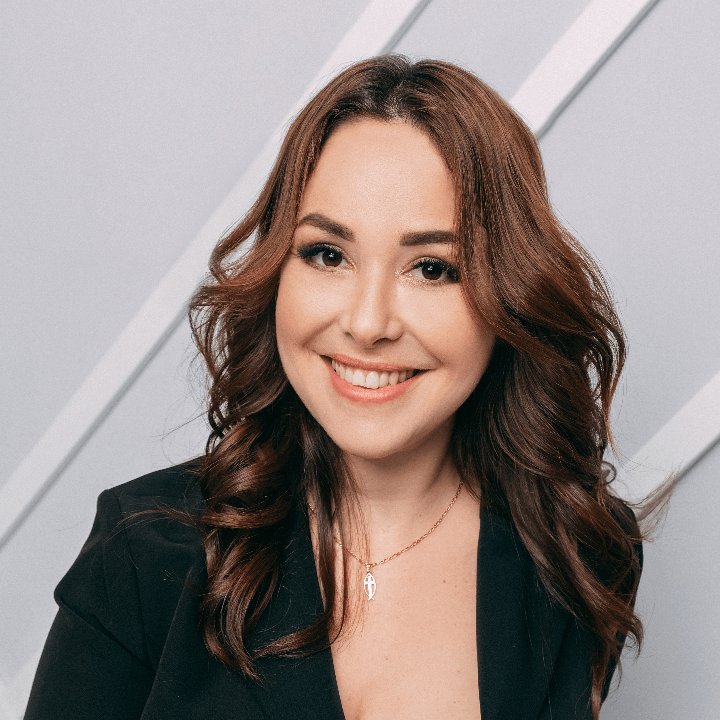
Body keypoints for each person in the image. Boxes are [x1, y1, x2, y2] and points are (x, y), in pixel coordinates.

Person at [25, 55, 643, 720]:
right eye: (328, 255)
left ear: (510, 295)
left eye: (432, 268)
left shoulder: (580, 551)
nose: (368, 324)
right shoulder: (145, 552)